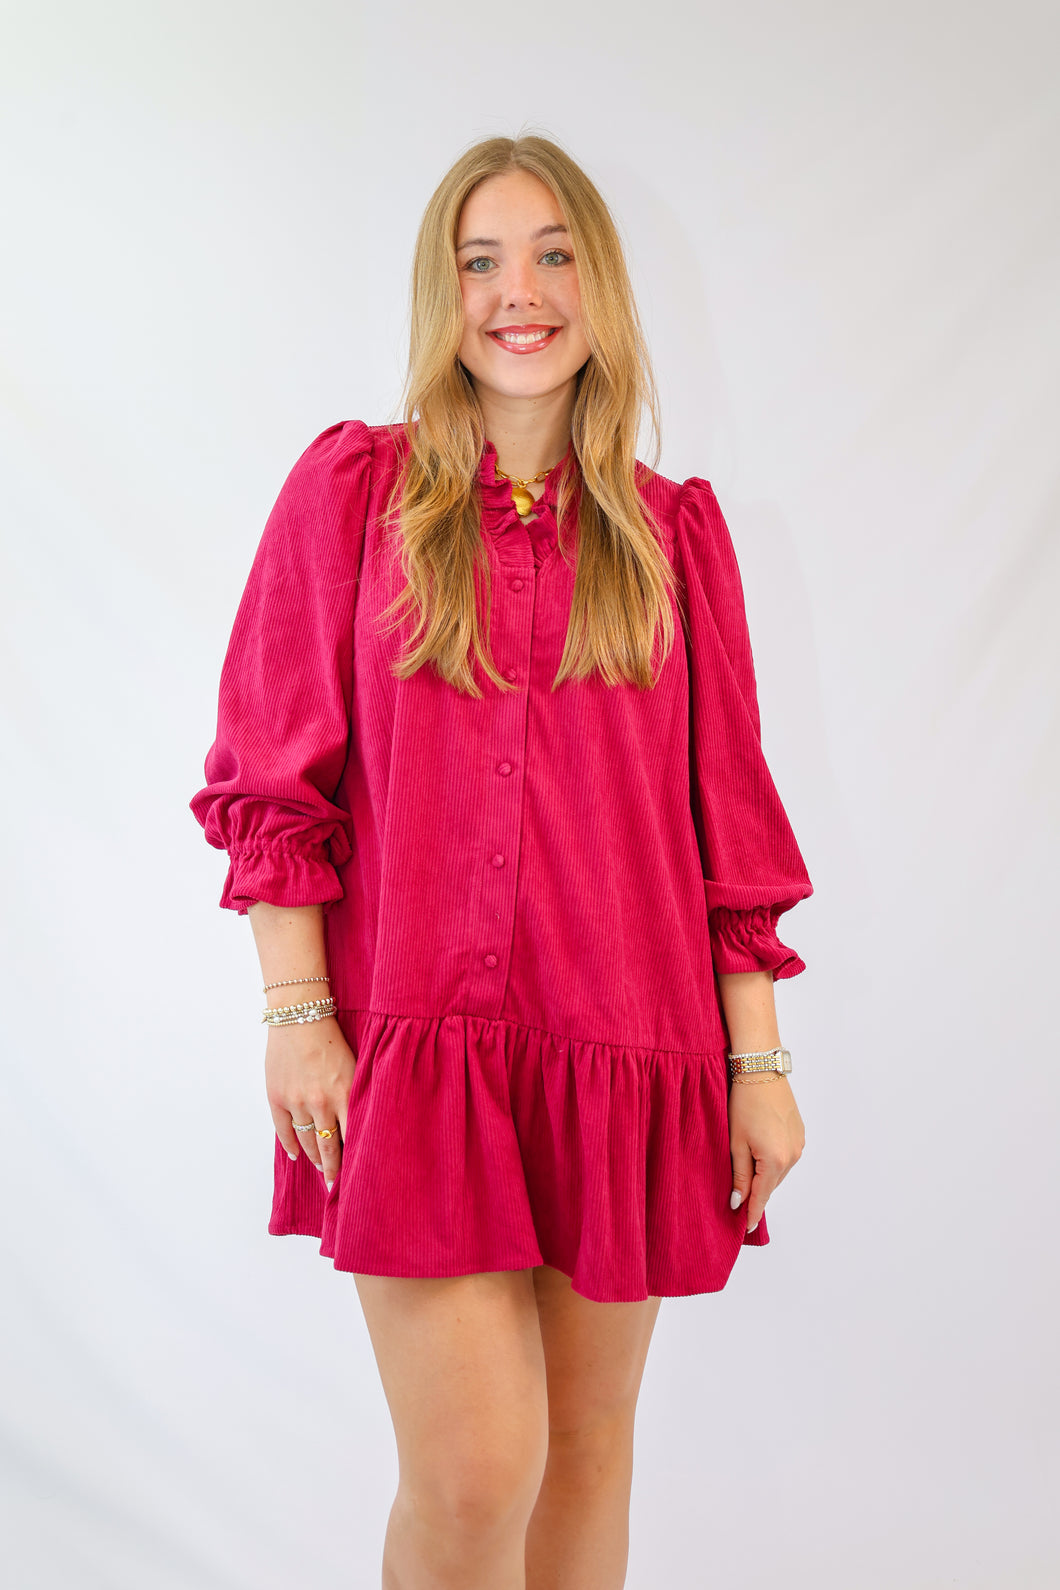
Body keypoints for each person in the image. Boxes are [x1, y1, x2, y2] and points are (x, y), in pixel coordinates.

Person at [190, 133, 814, 1590]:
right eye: (480, 261)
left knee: (585, 1458)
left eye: (551, 255)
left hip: (627, 1049)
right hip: (422, 1060)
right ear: (443, 292)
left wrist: (762, 1064)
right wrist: (296, 1011)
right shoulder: (355, 495)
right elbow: (272, 771)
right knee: (476, 1477)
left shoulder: (672, 538)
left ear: (602, 286)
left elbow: (728, 823)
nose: (516, 292)